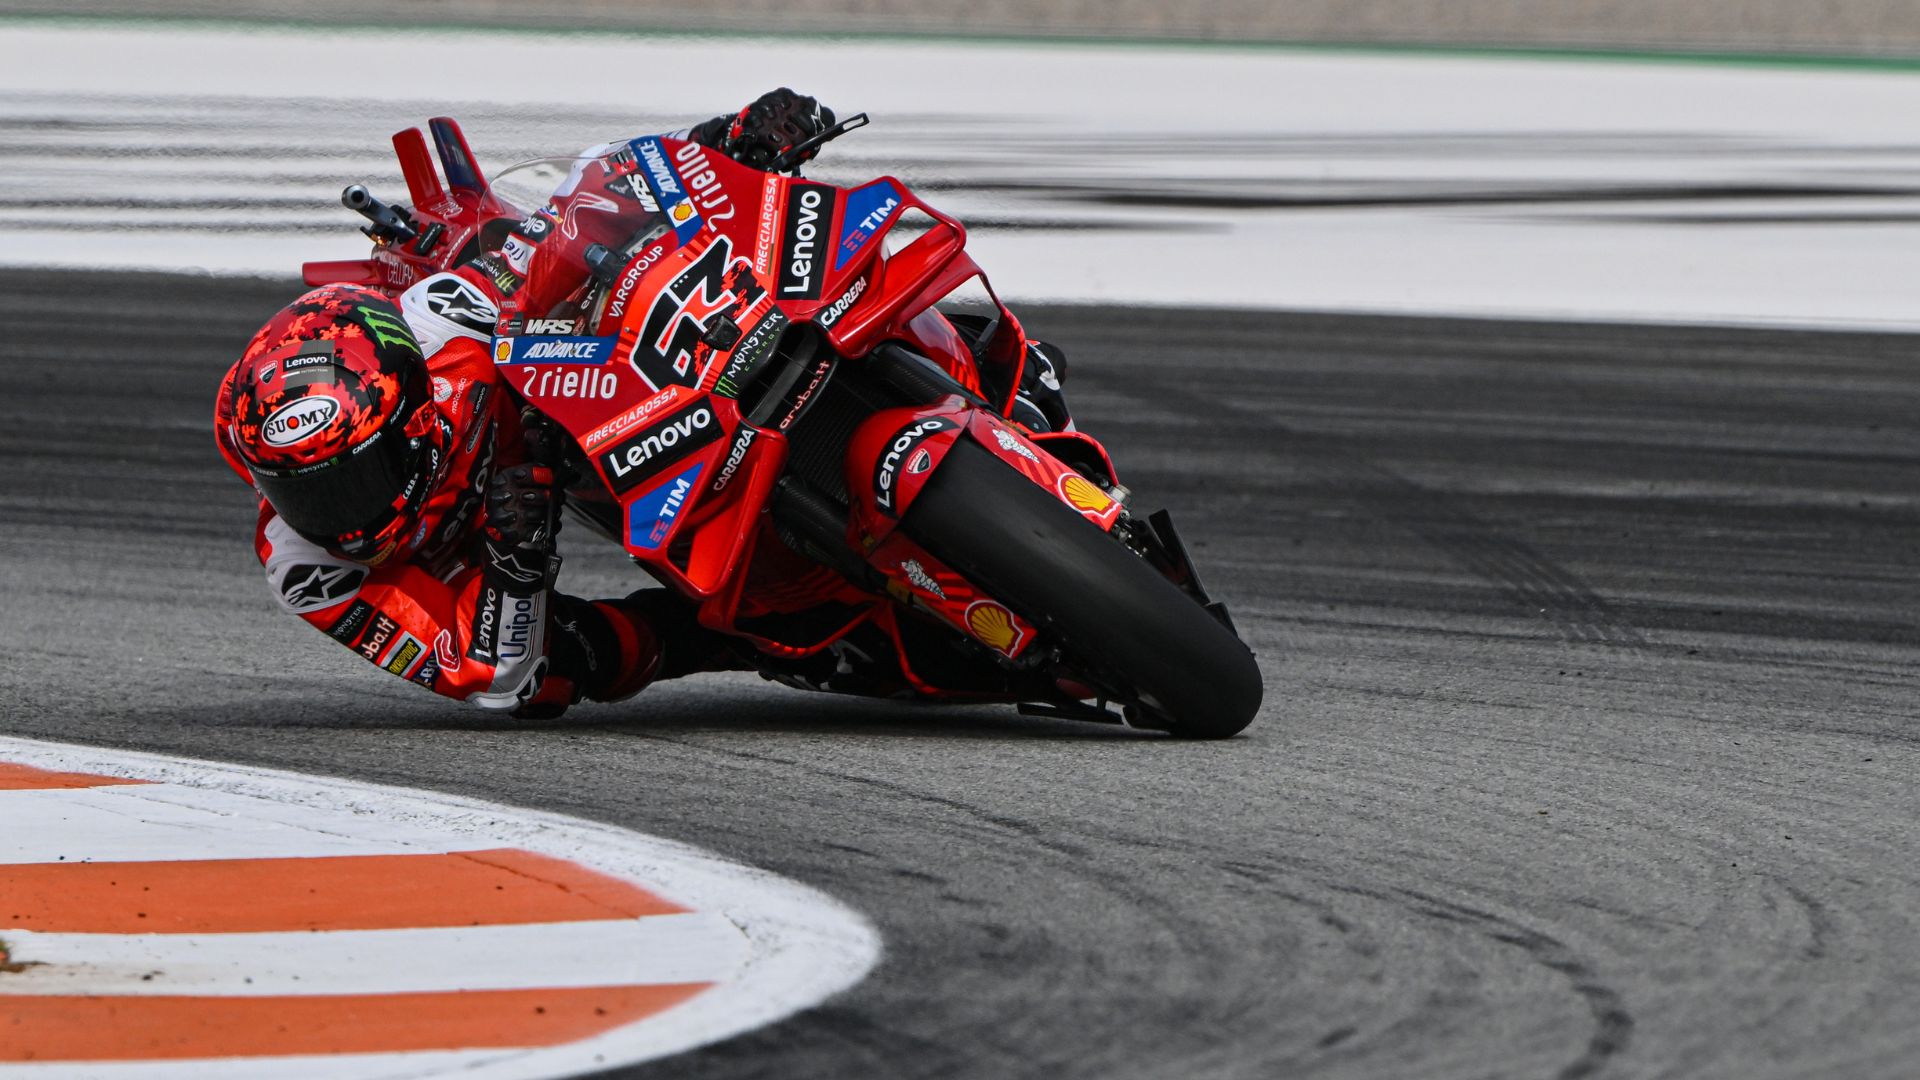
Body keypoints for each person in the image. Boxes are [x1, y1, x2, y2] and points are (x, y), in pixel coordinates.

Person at [213, 89, 838, 717]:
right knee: (555, 674)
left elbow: (570, 218)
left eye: (356, 478)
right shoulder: (306, 571)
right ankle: (725, 642)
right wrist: (515, 557)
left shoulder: (440, 326)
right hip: (504, 545)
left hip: (580, 408)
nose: (336, 516)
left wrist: (724, 141)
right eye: (301, 493)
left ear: (414, 414)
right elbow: (489, 678)